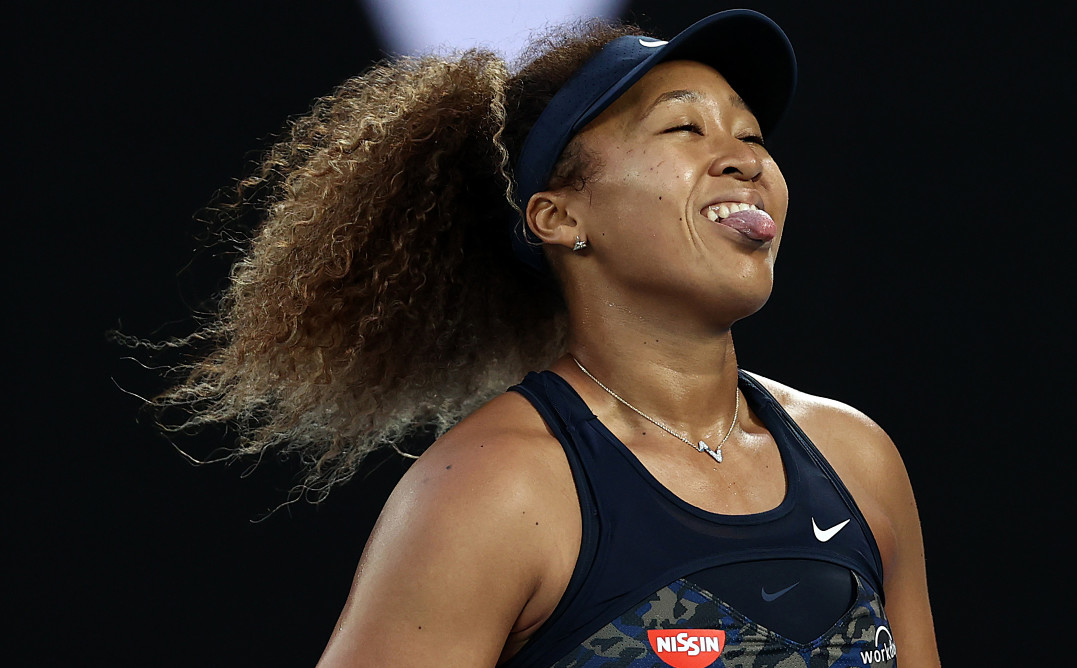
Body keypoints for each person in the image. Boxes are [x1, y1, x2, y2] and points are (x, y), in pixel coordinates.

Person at [156, 9, 938, 667]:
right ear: (560, 217)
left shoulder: (856, 458)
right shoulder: (495, 489)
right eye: (684, 127)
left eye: (754, 136)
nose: (745, 160)